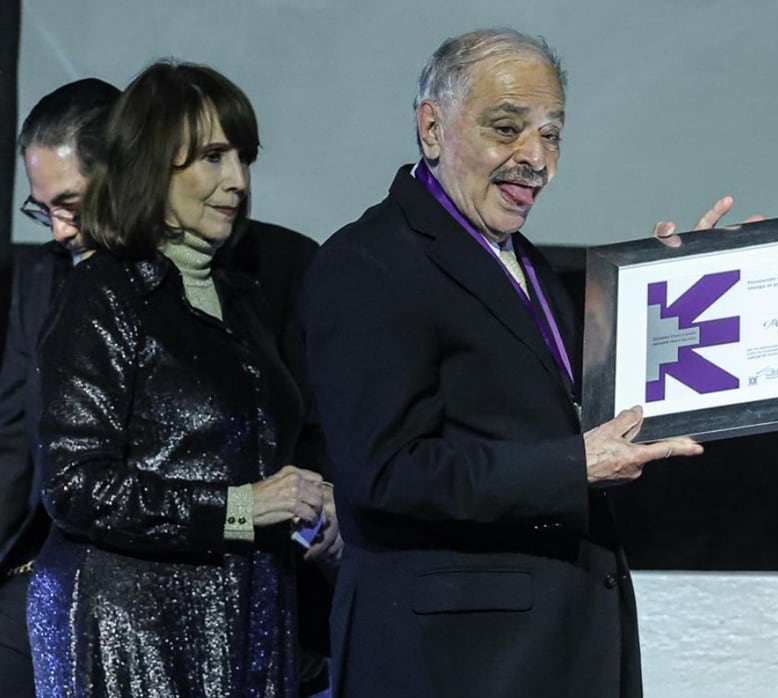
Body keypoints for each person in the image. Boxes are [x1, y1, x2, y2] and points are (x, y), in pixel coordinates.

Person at [298, 28, 709, 697]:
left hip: (550, 646)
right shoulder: (367, 262)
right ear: (431, 129)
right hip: (453, 662)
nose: (535, 158)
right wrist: (570, 467)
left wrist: (680, 288)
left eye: (551, 134)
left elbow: (578, 417)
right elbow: (385, 471)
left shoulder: (526, 266)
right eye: (507, 127)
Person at [27, 60, 340, 697]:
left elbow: (263, 453)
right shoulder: (103, 291)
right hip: (128, 629)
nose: (237, 181)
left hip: (248, 616)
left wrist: (315, 500)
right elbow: (75, 484)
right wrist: (240, 507)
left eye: (244, 157)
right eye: (212, 157)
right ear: (150, 165)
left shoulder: (239, 297)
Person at [0, 77, 118, 698]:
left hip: (161, 571)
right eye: (42, 210)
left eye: (70, 204)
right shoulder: (42, 279)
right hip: (45, 565)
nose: (59, 230)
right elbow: (14, 441)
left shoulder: (216, 274)